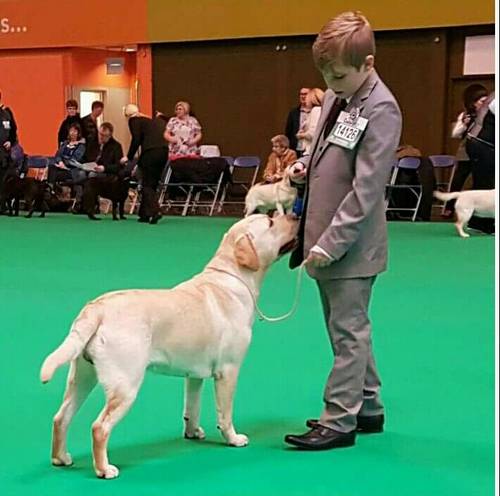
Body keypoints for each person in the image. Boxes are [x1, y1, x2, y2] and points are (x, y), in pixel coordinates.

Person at [285, 11, 402, 450]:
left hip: (350, 246)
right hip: (321, 235)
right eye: (326, 76)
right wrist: (303, 168)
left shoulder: (382, 108)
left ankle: (339, 421)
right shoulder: (338, 96)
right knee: (346, 328)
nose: (331, 84)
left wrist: (330, 244)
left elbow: (366, 190)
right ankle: (368, 406)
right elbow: (325, 153)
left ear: (368, 64)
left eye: (338, 75)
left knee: (348, 333)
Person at [444, 84, 488, 216]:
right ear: (473, 103)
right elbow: (455, 134)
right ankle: (449, 207)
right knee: (458, 180)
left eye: (486, 101)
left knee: (479, 181)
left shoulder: (490, 115)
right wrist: (464, 124)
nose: (484, 104)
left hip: (483, 153)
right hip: (465, 152)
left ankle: (477, 209)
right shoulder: (465, 115)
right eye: (481, 101)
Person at [125, 103, 168, 224]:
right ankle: (144, 213)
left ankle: (156, 210)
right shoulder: (148, 121)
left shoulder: (133, 121)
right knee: (152, 183)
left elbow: (136, 139)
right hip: (164, 152)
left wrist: (128, 157)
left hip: (150, 153)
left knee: (146, 185)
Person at [465, 91, 495, 234]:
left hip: (479, 142)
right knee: (487, 185)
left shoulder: (494, 95)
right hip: (483, 144)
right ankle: (484, 224)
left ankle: (478, 222)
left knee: (483, 184)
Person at [83, 122, 126, 220]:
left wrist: (104, 168)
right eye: (100, 134)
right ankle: (88, 209)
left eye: (104, 135)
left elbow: (118, 166)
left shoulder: (116, 146)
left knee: (91, 178)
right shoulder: (93, 143)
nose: (101, 137)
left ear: (110, 135)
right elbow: (86, 158)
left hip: (108, 174)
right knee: (86, 177)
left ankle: (88, 206)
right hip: (92, 170)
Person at [47, 123, 87, 211]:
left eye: (75, 131)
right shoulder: (65, 143)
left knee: (54, 173)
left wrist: (64, 162)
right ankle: (50, 190)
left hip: (72, 171)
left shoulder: (81, 146)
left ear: (78, 133)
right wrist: (60, 162)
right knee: (52, 167)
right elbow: (57, 155)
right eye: (71, 131)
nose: (72, 133)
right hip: (62, 168)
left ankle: (51, 190)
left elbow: (75, 159)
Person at [0, 90, 18, 214]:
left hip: (4, 154)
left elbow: (13, 131)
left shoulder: (7, 113)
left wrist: (10, 142)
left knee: (3, 181)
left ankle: (3, 206)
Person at [296, 88, 325, 155]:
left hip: (311, 150)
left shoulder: (316, 110)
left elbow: (313, 133)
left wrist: (301, 135)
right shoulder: (322, 110)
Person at [285, 87, 310, 156]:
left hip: (309, 146)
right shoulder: (294, 112)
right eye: (301, 94)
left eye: (305, 94)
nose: (303, 96)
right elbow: (288, 132)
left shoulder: (316, 111)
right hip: (296, 148)